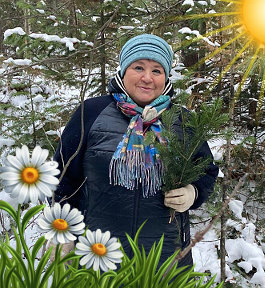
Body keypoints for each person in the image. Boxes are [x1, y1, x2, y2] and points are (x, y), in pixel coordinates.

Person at [53, 34, 219, 267]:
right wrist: (62, 230)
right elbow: (63, 177)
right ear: (123, 71)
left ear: (166, 77)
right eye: (138, 67)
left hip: (165, 258)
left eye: (157, 70)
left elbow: (207, 171)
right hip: (97, 254)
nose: (147, 78)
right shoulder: (90, 113)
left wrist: (194, 192)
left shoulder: (183, 120)